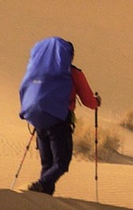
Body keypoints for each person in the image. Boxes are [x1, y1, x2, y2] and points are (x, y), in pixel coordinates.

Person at [17, 35, 100, 195]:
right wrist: (97, 102)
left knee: (47, 165)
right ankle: (40, 186)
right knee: (61, 163)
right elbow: (89, 101)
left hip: (39, 121)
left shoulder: (38, 72)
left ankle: (43, 198)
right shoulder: (72, 73)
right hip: (59, 122)